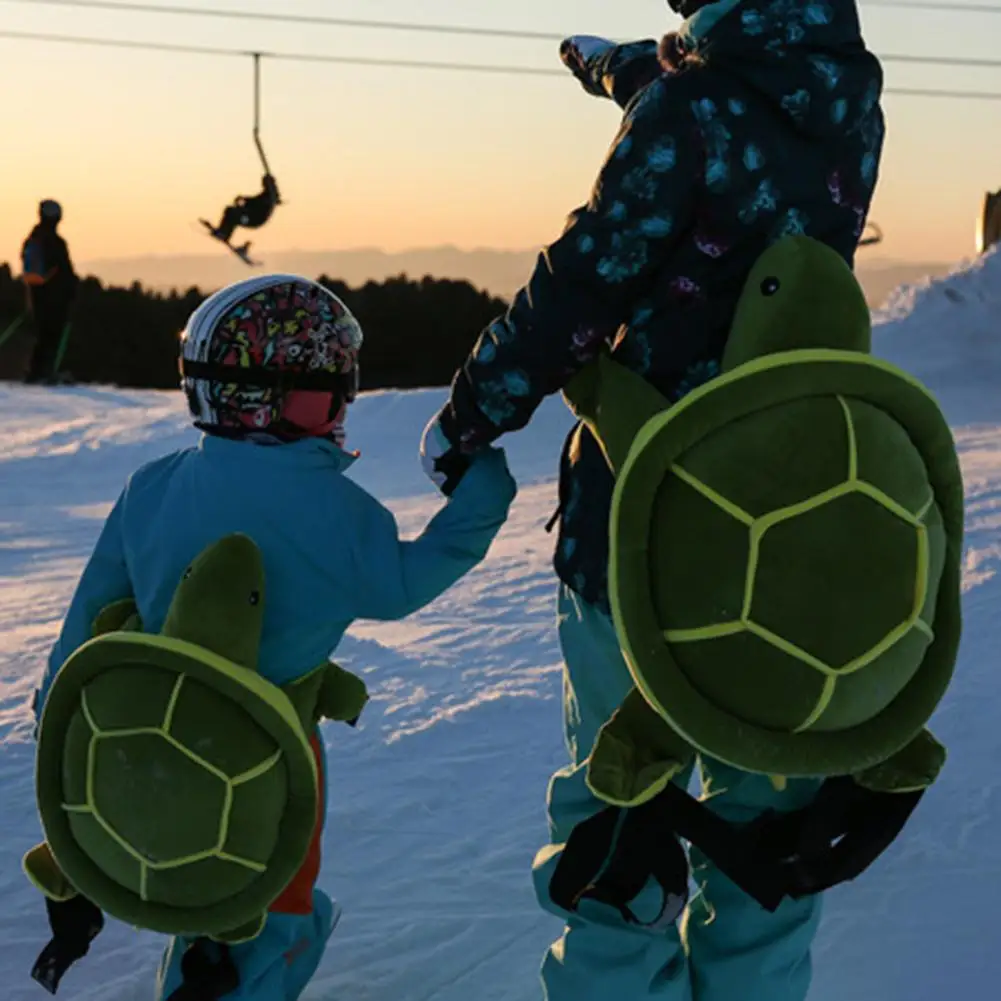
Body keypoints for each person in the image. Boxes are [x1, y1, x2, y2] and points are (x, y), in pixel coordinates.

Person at [419, 1, 885, 1000]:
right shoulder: (849, 98)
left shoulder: (687, 110)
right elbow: (734, 111)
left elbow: (584, 283)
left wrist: (472, 412)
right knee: (763, 826)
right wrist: (621, 71)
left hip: (643, 526)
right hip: (794, 523)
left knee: (614, 818)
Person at [27, 274, 516, 1001]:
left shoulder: (152, 486)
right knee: (267, 906)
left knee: (197, 882)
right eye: (334, 387)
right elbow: (405, 583)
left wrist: (58, 732)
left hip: (141, 747)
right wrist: (483, 493)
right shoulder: (339, 514)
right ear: (301, 397)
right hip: (271, 755)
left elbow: (81, 632)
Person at [21, 199, 79, 384]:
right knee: (52, 334)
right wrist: (72, 289)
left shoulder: (32, 239)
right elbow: (65, 270)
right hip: (56, 297)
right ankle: (45, 371)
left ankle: (36, 371)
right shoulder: (56, 242)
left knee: (43, 334)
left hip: (36, 294)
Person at [208, 174, 282, 254]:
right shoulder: (266, 195)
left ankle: (224, 234)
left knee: (234, 214)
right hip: (250, 217)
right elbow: (253, 201)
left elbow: (257, 203)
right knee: (230, 211)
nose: (263, 185)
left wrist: (244, 202)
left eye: (264, 183)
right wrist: (242, 200)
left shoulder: (270, 197)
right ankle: (223, 231)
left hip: (253, 220)